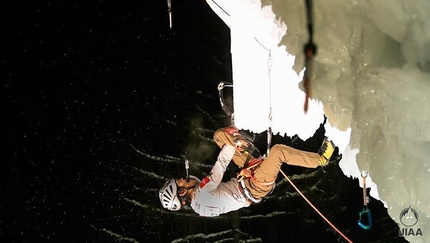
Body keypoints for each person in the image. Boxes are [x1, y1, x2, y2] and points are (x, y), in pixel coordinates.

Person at [159, 126, 335, 217]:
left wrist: (235, 142)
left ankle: (244, 138)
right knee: (278, 152)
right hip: (255, 185)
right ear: (182, 192)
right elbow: (221, 163)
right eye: (180, 182)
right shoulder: (202, 193)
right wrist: (234, 144)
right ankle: (321, 159)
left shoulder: (199, 207)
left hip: (246, 177)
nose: (183, 178)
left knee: (219, 136)